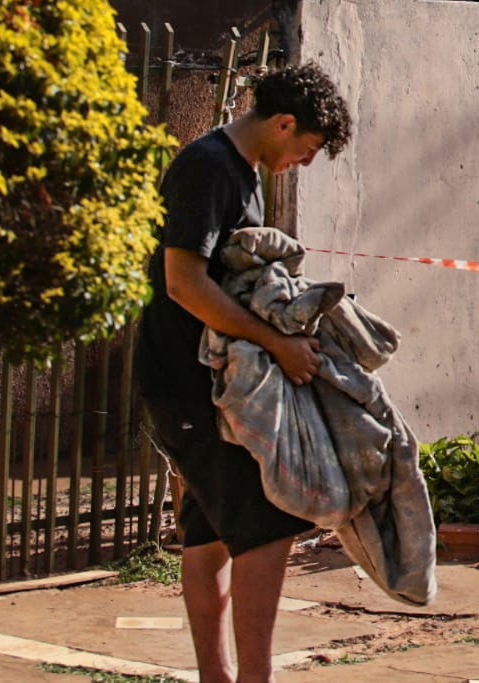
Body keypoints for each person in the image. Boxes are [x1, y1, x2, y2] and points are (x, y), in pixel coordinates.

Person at [136, 62, 352, 683]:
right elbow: (185, 283)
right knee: (267, 524)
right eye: (305, 148)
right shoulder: (210, 168)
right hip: (188, 382)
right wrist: (274, 344)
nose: (304, 164)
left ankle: (220, 677)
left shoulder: (244, 172)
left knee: (206, 531)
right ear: (282, 123)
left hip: (205, 382)